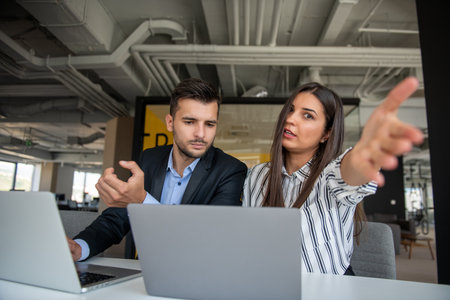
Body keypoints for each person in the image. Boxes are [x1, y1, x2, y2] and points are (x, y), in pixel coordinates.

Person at [242, 77, 423, 275]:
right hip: (270, 284)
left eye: (308, 116)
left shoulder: (330, 174)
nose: (291, 119)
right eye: (291, 110)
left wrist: (365, 152)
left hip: (329, 290)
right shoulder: (257, 176)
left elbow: (349, 171)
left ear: (326, 134)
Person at [67, 78, 247, 261]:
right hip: (143, 272)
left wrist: (142, 200)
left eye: (209, 124)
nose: (201, 134)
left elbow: (212, 236)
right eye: (190, 122)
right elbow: (118, 217)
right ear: (170, 123)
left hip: (198, 275)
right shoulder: (150, 159)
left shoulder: (230, 170)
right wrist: (80, 247)